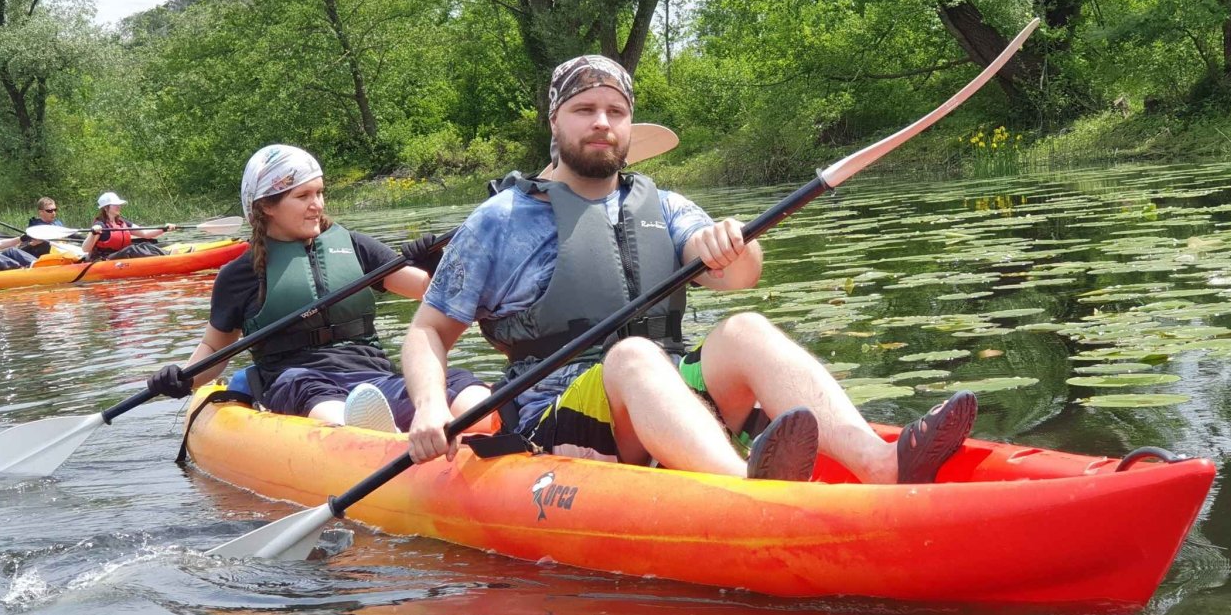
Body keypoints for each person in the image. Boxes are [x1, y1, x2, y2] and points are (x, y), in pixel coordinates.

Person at [401, 54, 977, 483]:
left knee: (745, 327)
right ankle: (739, 491)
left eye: (616, 111)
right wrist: (429, 405)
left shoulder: (664, 205)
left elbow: (740, 276)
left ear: (630, 126)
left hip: (674, 398)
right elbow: (428, 330)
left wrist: (725, 243)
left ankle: (880, 463)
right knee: (631, 356)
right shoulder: (498, 220)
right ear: (555, 123)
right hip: (559, 416)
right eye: (584, 110)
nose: (602, 122)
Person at [145, 145, 489, 431]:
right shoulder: (241, 274)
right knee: (309, 389)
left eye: (320, 192)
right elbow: (213, 347)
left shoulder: (353, 246)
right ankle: (365, 435)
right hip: (296, 383)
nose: (318, 204)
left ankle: (491, 430)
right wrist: (183, 378)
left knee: (465, 388)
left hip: (372, 377)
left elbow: (429, 292)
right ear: (267, 206)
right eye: (304, 195)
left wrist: (438, 264)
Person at [80, 192, 176, 260]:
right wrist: (93, 233)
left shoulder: (122, 223)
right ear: (105, 208)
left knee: (144, 244)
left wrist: (164, 229)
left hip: (121, 255)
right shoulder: (100, 225)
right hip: (104, 259)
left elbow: (146, 233)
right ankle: (167, 258)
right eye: (115, 204)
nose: (119, 206)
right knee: (131, 249)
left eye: (119, 204)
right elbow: (85, 249)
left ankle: (167, 255)